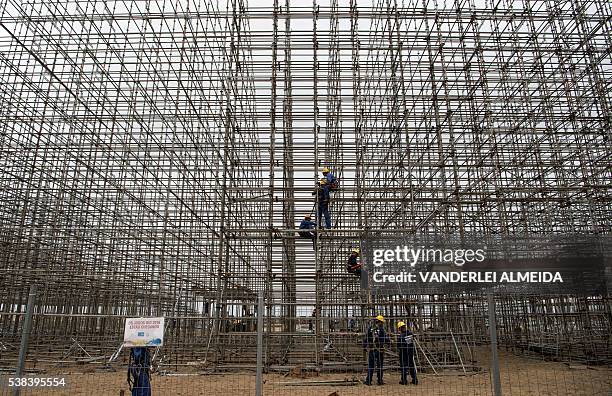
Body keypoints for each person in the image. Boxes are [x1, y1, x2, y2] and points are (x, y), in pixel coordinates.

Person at [362, 315, 390, 385]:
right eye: (382, 322)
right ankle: (380, 380)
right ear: (380, 322)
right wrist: (389, 343)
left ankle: (368, 381)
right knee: (380, 365)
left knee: (371, 366)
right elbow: (385, 339)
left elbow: (366, 338)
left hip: (372, 349)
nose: (382, 324)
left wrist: (364, 346)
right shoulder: (382, 330)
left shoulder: (370, 328)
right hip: (379, 350)